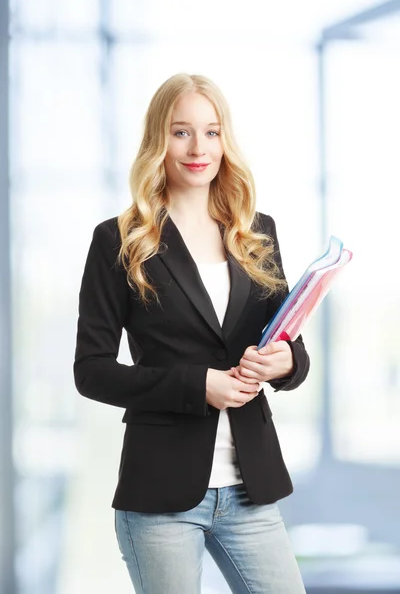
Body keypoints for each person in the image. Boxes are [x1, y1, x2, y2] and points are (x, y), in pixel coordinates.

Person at [73, 73, 310, 594]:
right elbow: (91, 372)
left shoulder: (257, 229)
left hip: (251, 488)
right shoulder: (120, 239)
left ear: (225, 141)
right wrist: (195, 384)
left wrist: (286, 363)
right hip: (160, 496)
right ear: (160, 140)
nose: (198, 148)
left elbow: (291, 347)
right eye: (181, 132)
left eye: (211, 131)